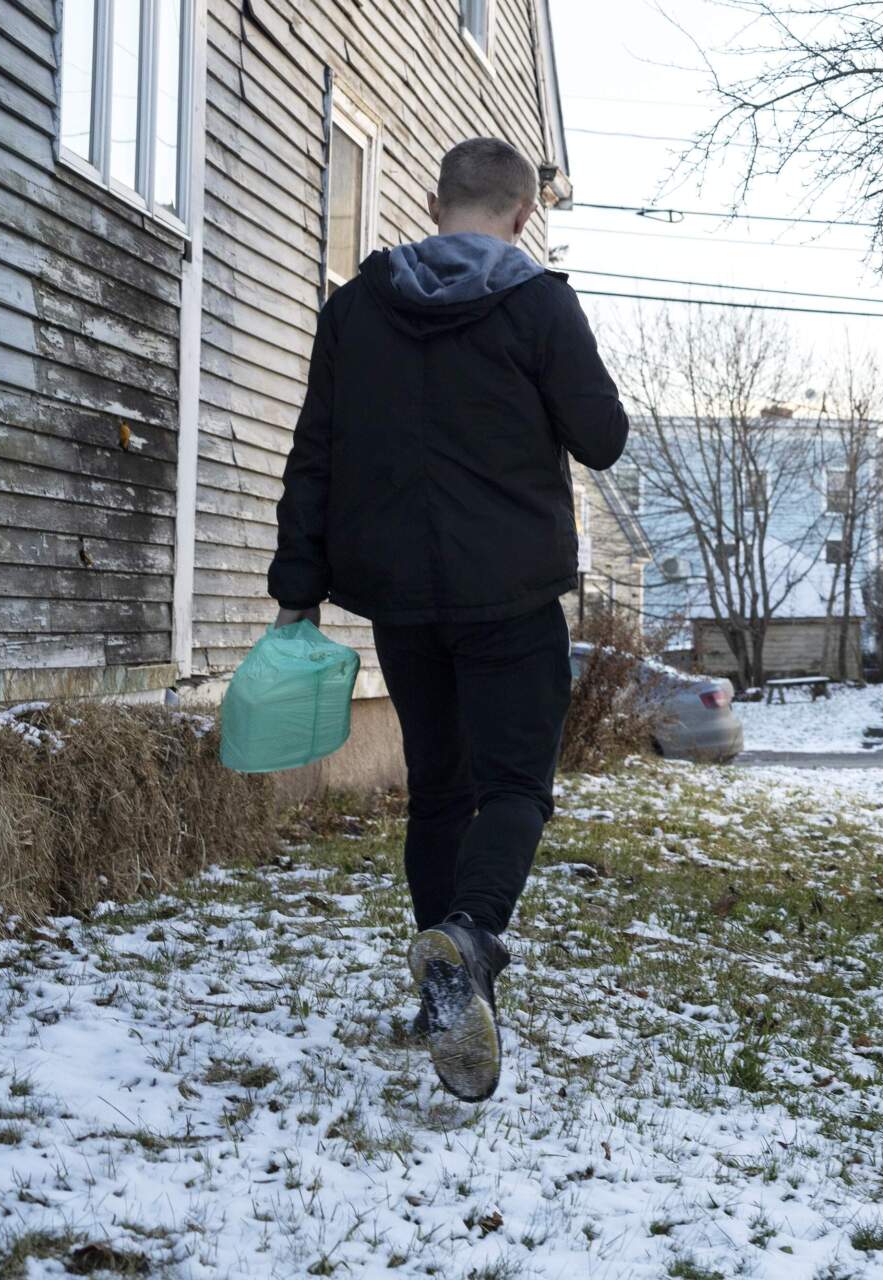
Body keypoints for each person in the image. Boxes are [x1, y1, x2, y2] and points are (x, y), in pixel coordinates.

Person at [268, 137, 628, 1102]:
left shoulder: (356, 308)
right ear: (522, 214)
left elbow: (315, 452)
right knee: (514, 786)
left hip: (402, 598)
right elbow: (603, 436)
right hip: (509, 594)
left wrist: (297, 584)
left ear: (434, 204)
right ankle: (469, 940)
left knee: (437, 792)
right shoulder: (538, 302)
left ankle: (444, 995)